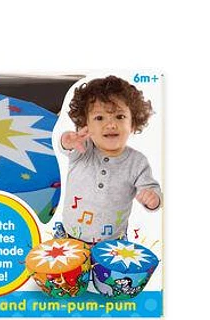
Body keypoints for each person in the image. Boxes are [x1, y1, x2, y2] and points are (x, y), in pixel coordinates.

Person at [56, 75, 162, 243]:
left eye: (120, 117)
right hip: (70, 237)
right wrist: (67, 141)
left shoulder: (137, 162)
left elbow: (151, 188)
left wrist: (153, 199)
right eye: (99, 118)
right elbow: (66, 148)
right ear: (85, 125)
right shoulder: (83, 148)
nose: (111, 124)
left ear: (133, 123)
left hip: (113, 243)